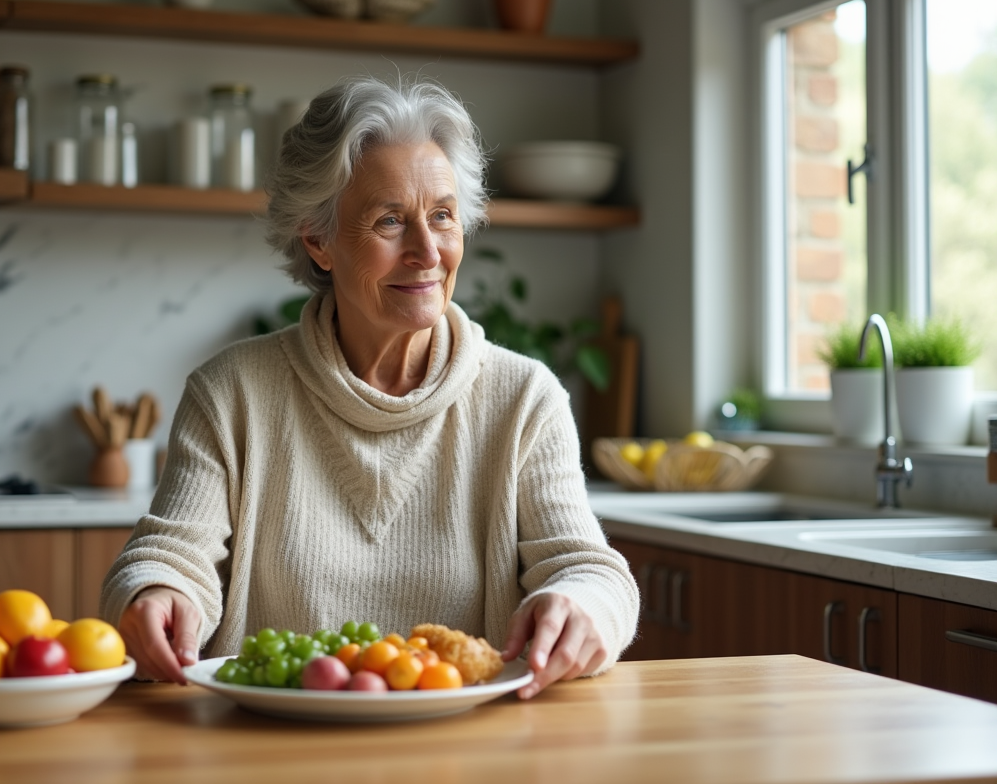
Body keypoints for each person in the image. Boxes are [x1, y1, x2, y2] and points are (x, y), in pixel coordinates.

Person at [100, 75, 639, 699]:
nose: (427, 251)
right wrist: (154, 593)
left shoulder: (524, 399)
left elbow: (588, 569)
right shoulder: (232, 393)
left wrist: (581, 605)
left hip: (469, 751)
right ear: (319, 241)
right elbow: (167, 556)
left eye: (443, 216)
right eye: (390, 221)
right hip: (271, 745)